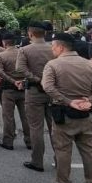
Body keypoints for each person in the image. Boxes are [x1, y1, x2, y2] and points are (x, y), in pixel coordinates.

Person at [42, 32, 92, 183]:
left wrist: (68, 101)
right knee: (89, 152)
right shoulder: (89, 64)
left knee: (63, 151)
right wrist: (90, 100)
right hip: (86, 113)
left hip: (63, 114)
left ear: (60, 47)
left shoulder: (53, 65)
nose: (52, 49)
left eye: (53, 46)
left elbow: (48, 87)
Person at [16, 23, 56, 172]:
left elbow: (20, 68)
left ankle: (37, 161)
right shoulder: (54, 48)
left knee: (36, 128)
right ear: (44, 34)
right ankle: (61, 160)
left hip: (34, 91)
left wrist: (36, 79)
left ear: (30, 34)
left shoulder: (25, 50)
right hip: (53, 91)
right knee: (55, 128)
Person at [0, 31, 29, 150]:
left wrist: (13, 81)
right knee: (26, 116)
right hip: (23, 88)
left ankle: (8, 141)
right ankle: (29, 141)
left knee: (8, 116)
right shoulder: (23, 53)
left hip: (8, 88)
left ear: (4, 43)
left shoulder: (2, 55)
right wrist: (22, 80)